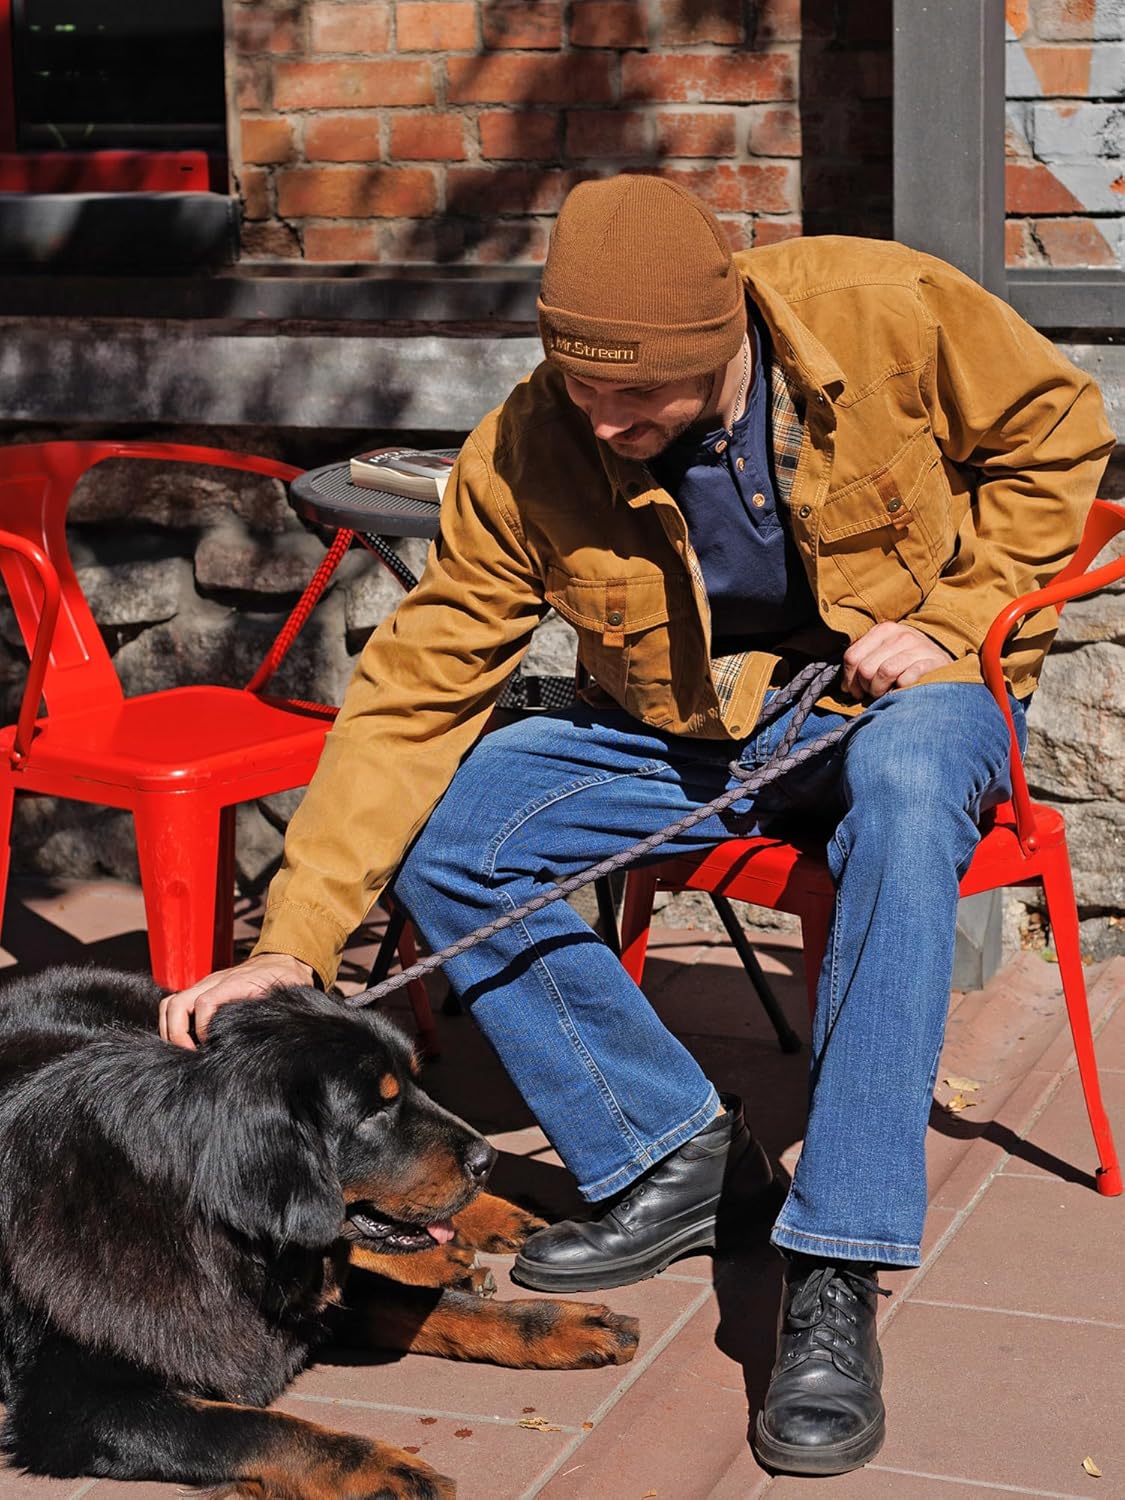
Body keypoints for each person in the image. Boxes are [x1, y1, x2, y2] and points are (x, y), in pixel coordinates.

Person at [160, 175, 1113, 1477]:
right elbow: (415, 686)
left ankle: (833, 1264)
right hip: (690, 726)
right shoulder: (531, 445)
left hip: (910, 703)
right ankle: (673, 1156)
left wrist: (958, 616)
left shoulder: (884, 312)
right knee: (457, 823)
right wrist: (297, 943)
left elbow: (1058, 430)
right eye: (581, 388)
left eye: (639, 398)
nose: (605, 422)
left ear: (721, 339)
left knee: (896, 805)